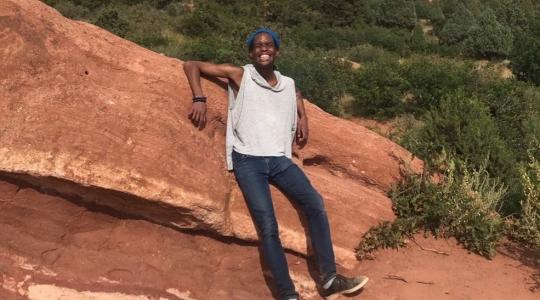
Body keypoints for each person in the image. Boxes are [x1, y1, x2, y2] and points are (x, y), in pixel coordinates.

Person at [183, 28, 368, 300]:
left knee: (315, 204)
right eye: (257, 46)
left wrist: (303, 116)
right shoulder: (240, 75)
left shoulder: (287, 83)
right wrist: (199, 97)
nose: (263, 49)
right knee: (268, 226)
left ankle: (329, 280)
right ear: (251, 52)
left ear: (277, 50)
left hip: (280, 159)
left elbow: (296, 92)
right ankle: (287, 294)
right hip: (249, 160)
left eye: (268, 45)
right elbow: (191, 65)